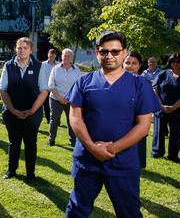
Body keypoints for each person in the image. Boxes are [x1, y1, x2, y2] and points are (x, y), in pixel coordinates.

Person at [65, 31, 160, 218]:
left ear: (125, 53)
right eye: (104, 52)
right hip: (87, 160)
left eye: (115, 52)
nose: (110, 56)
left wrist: (112, 148)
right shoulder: (84, 81)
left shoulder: (140, 85)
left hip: (122, 162)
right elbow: (75, 118)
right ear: (97, 52)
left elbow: (143, 126)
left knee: (129, 212)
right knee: (77, 209)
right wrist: (93, 148)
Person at [0, 37, 50, 181]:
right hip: (11, 112)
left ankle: (30, 174)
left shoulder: (40, 66)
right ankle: (11, 170)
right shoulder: (9, 66)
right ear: (16, 49)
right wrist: (13, 110)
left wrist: (32, 110)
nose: (22, 51)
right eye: (19, 48)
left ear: (31, 49)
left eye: (25, 48)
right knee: (13, 142)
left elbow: (44, 91)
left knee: (30, 143)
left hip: (32, 113)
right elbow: (2, 90)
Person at [152, 53, 180, 162]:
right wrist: (161, 105)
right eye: (173, 61)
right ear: (169, 62)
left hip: (179, 110)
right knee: (159, 132)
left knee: (175, 135)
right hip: (161, 109)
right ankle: (157, 152)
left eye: (178, 62)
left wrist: (174, 107)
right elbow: (155, 90)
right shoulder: (162, 74)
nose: (175, 64)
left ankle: (173, 155)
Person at [47, 48, 81, 147]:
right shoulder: (55, 69)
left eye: (68, 56)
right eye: (64, 55)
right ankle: (51, 140)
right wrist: (60, 98)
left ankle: (73, 141)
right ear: (61, 56)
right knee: (54, 120)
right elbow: (51, 85)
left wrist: (70, 98)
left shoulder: (77, 70)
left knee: (71, 121)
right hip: (55, 99)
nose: (65, 57)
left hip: (70, 100)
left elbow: (78, 86)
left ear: (71, 58)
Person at [122, 50, 149, 169]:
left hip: (136, 125)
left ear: (139, 65)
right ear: (122, 63)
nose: (130, 66)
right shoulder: (114, 81)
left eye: (134, 63)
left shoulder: (144, 84)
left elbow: (146, 109)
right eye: (127, 62)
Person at [41, 49, 58, 124]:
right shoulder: (43, 64)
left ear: (55, 56)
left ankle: (57, 120)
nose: (51, 57)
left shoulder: (58, 65)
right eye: (50, 56)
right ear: (48, 55)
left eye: (53, 56)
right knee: (46, 106)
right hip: (45, 89)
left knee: (55, 107)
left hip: (55, 89)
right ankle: (49, 120)